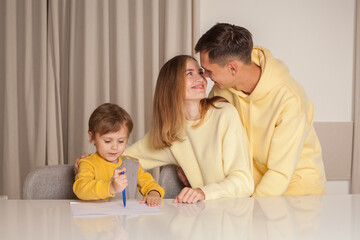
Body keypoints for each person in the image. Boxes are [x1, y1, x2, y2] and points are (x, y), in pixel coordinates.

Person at [75, 55, 254, 204]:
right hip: (201, 215)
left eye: (200, 72)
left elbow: (244, 182)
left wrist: (202, 192)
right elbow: (125, 158)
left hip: (234, 212)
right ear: (171, 86)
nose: (200, 78)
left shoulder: (224, 114)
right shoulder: (170, 131)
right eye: (189, 74)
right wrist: (92, 160)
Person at [190, 23, 326, 197]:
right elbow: (207, 134)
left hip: (297, 193)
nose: (205, 77)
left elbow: (280, 173)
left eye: (209, 71)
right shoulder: (221, 88)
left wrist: (251, 211)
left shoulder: (289, 99)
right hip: (252, 189)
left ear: (232, 68)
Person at [73, 103, 164, 206]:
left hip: (125, 219)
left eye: (121, 141)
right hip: (96, 220)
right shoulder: (88, 163)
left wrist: (154, 194)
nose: (115, 147)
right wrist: (111, 187)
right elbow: (81, 189)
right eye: (107, 141)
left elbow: (149, 184)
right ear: (92, 137)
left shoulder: (133, 164)